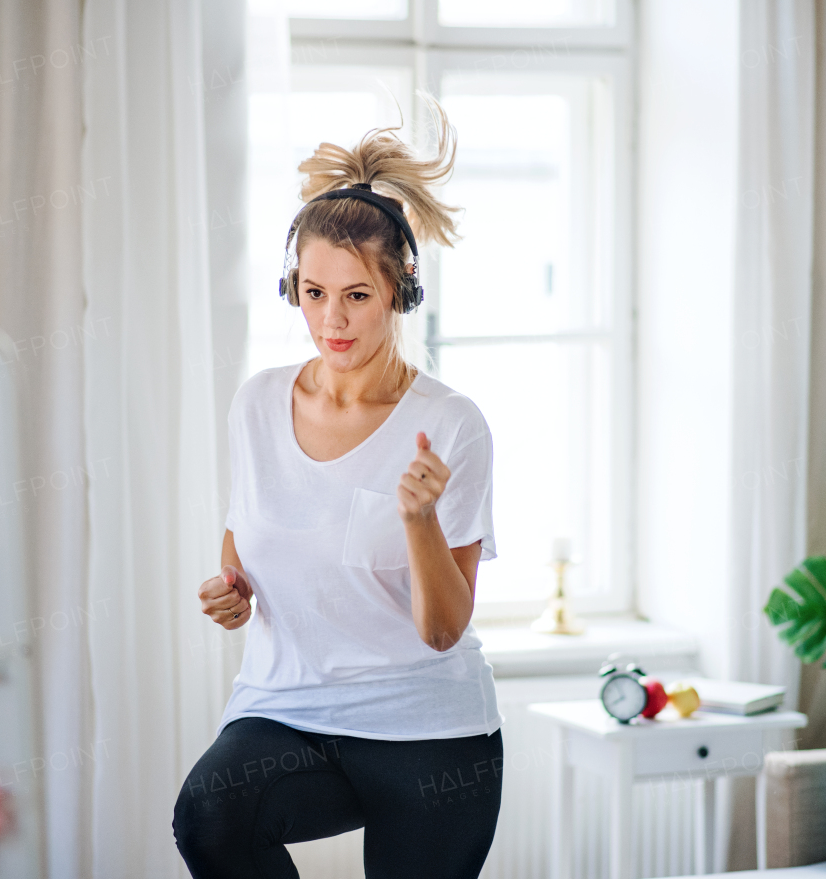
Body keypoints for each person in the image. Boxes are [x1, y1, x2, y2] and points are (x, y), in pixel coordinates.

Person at [172, 97, 504, 878]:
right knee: (209, 815)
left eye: (357, 294)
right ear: (293, 286)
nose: (333, 320)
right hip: (289, 708)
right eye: (314, 293)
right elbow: (246, 542)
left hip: (431, 728)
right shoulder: (258, 401)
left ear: (400, 291)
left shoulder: (452, 425)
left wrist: (418, 519)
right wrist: (233, 591)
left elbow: (443, 628)